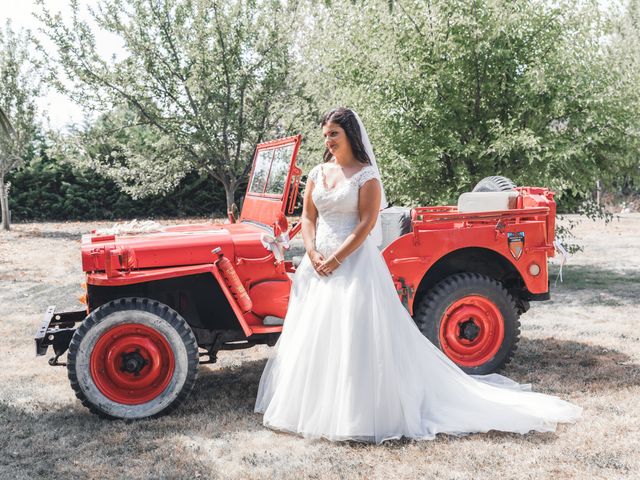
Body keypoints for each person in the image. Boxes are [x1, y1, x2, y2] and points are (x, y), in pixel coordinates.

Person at [254, 107, 581, 444]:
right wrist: (312, 251)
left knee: (354, 335)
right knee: (317, 334)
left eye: (334, 133)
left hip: (352, 262)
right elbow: (308, 217)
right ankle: (312, 407)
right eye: (325, 135)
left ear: (350, 135)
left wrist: (336, 258)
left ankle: (355, 413)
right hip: (318, 262)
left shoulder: (366, 176)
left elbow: (366, 223)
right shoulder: (318, 173)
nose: (328, 140)